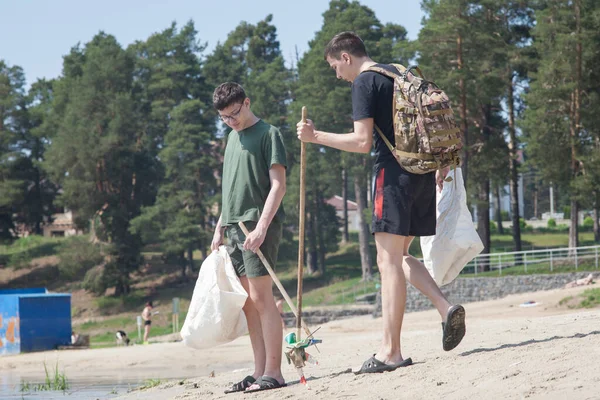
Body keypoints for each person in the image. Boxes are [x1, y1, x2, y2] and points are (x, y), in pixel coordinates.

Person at [296, 31, 466, 375]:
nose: (337, 75)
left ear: (346, 57)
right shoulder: (399, 73)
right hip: (421, 173)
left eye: (334, 67)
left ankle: (390, 352)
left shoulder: (365, 82)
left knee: (387, 261)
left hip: (393, 176)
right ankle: (445, 307)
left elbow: (362, 142)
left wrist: (316, 137)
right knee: (398, 256)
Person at [211, 82, 288, 393]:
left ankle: (275, 372)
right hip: (232, 229)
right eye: (225, 118)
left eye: (234, 114)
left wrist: (262, 227)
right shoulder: (231, 138)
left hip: (257, 226)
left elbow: (278, 185)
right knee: (247, 304)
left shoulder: (269, 134)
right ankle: (258, 372)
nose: (232, 121)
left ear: (246, 102)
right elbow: (230, 189)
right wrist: (219, 226)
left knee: (261, 298)